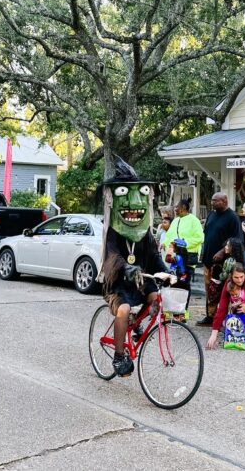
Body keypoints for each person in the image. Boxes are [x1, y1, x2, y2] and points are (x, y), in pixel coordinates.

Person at [99, 156, 171, 377]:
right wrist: (125, 268)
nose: (134, 208)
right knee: (123, 310)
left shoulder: (146, 234)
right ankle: (119, 356)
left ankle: (137, 324)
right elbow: (112, 255)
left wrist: (167, 272)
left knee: (155, 300)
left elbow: (154, 256)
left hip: (142, 281)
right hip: (118, 285)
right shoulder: (112, 232)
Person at [197, 192, 242, 326]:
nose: (212, 203)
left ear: (224, 201)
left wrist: (223, 251)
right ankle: (210, 316)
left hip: (223, 263)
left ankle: (224, 317)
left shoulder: (232, 217)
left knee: (222, 290)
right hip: (208, 260)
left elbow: (237, 240)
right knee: (209, 290)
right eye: (212, 200)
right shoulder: (211, 214)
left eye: (216, 201)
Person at [204, 237, 245, 325]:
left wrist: (217, 274)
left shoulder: (229, 261)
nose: (225, 247)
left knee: (223, 304)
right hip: (237, 287)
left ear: (233, 248)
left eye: (228, 245)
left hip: (228, 285)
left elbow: (224, 276)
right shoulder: (239, 260)